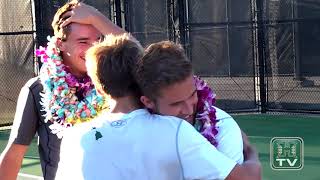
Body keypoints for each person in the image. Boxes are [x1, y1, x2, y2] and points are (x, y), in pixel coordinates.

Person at [56, 34, 261, 180]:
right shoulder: (173, 131)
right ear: (141, 86)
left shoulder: (74, 138)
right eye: (176, 103)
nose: (188, 109)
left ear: (99, 90)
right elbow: (248, 177)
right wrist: (250, 151)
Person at [0, 1, 125, 179]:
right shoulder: (37, 89)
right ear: (60, 44)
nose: (93, 49)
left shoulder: (114, 83)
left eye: (98, 40)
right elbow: (14, 154)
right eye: (83, 41)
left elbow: (139, 59)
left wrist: (96, 17)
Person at [135, 41, 244, 164]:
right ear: (148, 102)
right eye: (176, 104)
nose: (189, 110)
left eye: (193, 95)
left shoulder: (223, 127)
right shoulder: (133, 131)